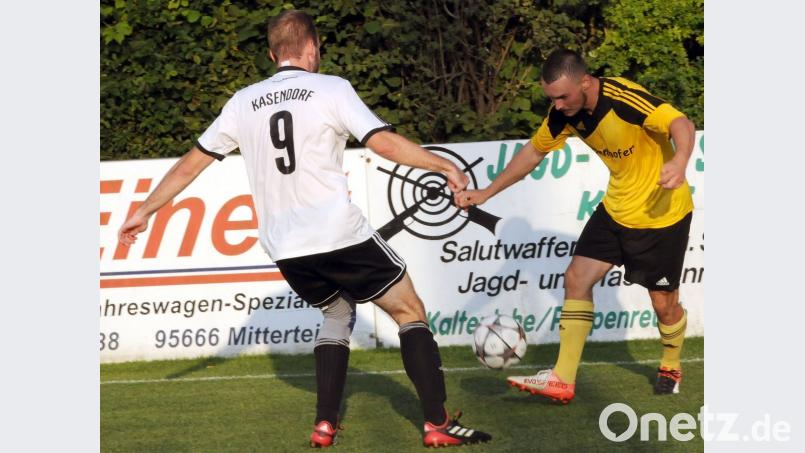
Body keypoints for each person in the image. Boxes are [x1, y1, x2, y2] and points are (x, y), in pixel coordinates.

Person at [118, 9, 491, 449]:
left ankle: (325, 424)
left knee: (335, 313)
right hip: (336, 233)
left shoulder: (243, 101)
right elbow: (381, 142)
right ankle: (437, 423)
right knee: (409, 312)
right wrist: (441, 163)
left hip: (285, 246)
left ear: (274, 53)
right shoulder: (332, 88)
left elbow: (191, 164)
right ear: (312, 48)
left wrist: (145, 210)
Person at [456, 49, 695, 403]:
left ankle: (671, 365)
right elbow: (533, 153)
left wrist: (679, 160)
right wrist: (487, 192)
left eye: (563, 96)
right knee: (576, 279)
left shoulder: (622, 99)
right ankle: (562, 379)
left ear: (586, 81)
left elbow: (681, 124)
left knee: (664, 306)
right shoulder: (563, 114)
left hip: (662, 215)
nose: (558, 104)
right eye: (552, 98)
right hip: (615, 210)